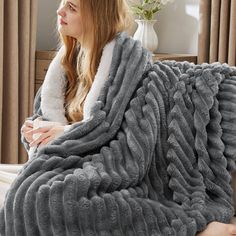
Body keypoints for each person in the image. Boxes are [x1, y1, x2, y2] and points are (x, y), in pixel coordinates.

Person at [18, 0, 236, 235]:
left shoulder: (126, 61)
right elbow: (48, 117)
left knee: (52, 197)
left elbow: (119, 129)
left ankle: (204, 229)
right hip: (75, 161)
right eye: (63, 3)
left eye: (71, 7)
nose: (60, 11)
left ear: (96, 16)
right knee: (34, 192)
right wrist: (36, 130)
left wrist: (67, 133)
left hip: (110, 165)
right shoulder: (65, 64)